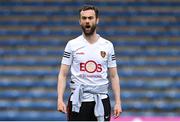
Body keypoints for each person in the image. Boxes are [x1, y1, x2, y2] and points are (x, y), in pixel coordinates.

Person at [57, 5, 122, 121]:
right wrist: (59, 99)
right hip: (78, 101)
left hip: (101, 99)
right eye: (84, 18)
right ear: (80, 21)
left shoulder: (107, 45)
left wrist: (118, 102)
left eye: (90, 18)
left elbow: (113, 75)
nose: (87, 21)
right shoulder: (72, 45)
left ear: (97, 20)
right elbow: (62, 74)